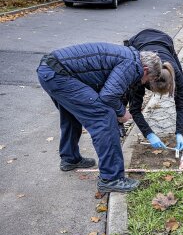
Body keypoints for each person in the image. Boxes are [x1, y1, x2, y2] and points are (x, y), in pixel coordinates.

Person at [37, 42, 162, 193]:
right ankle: (111, 178)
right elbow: (108, 96)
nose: (146, 82)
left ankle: (70, 159)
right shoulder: (133, 65)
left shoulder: (130, 57)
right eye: (149, 79)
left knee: (71, 116)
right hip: (58, 75)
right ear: (146, 70)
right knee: (104, 117)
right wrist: (122, 113)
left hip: (51, 71)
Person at [123, 28, 183, 151]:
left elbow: (181, 104)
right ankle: (118, 121)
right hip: (137, 43)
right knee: (125, 88)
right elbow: (135, 109)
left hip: (163, 40)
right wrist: (149, 134)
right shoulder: (141, 76)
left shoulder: (175, 74)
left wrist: (179, 133)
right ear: (149, 83)